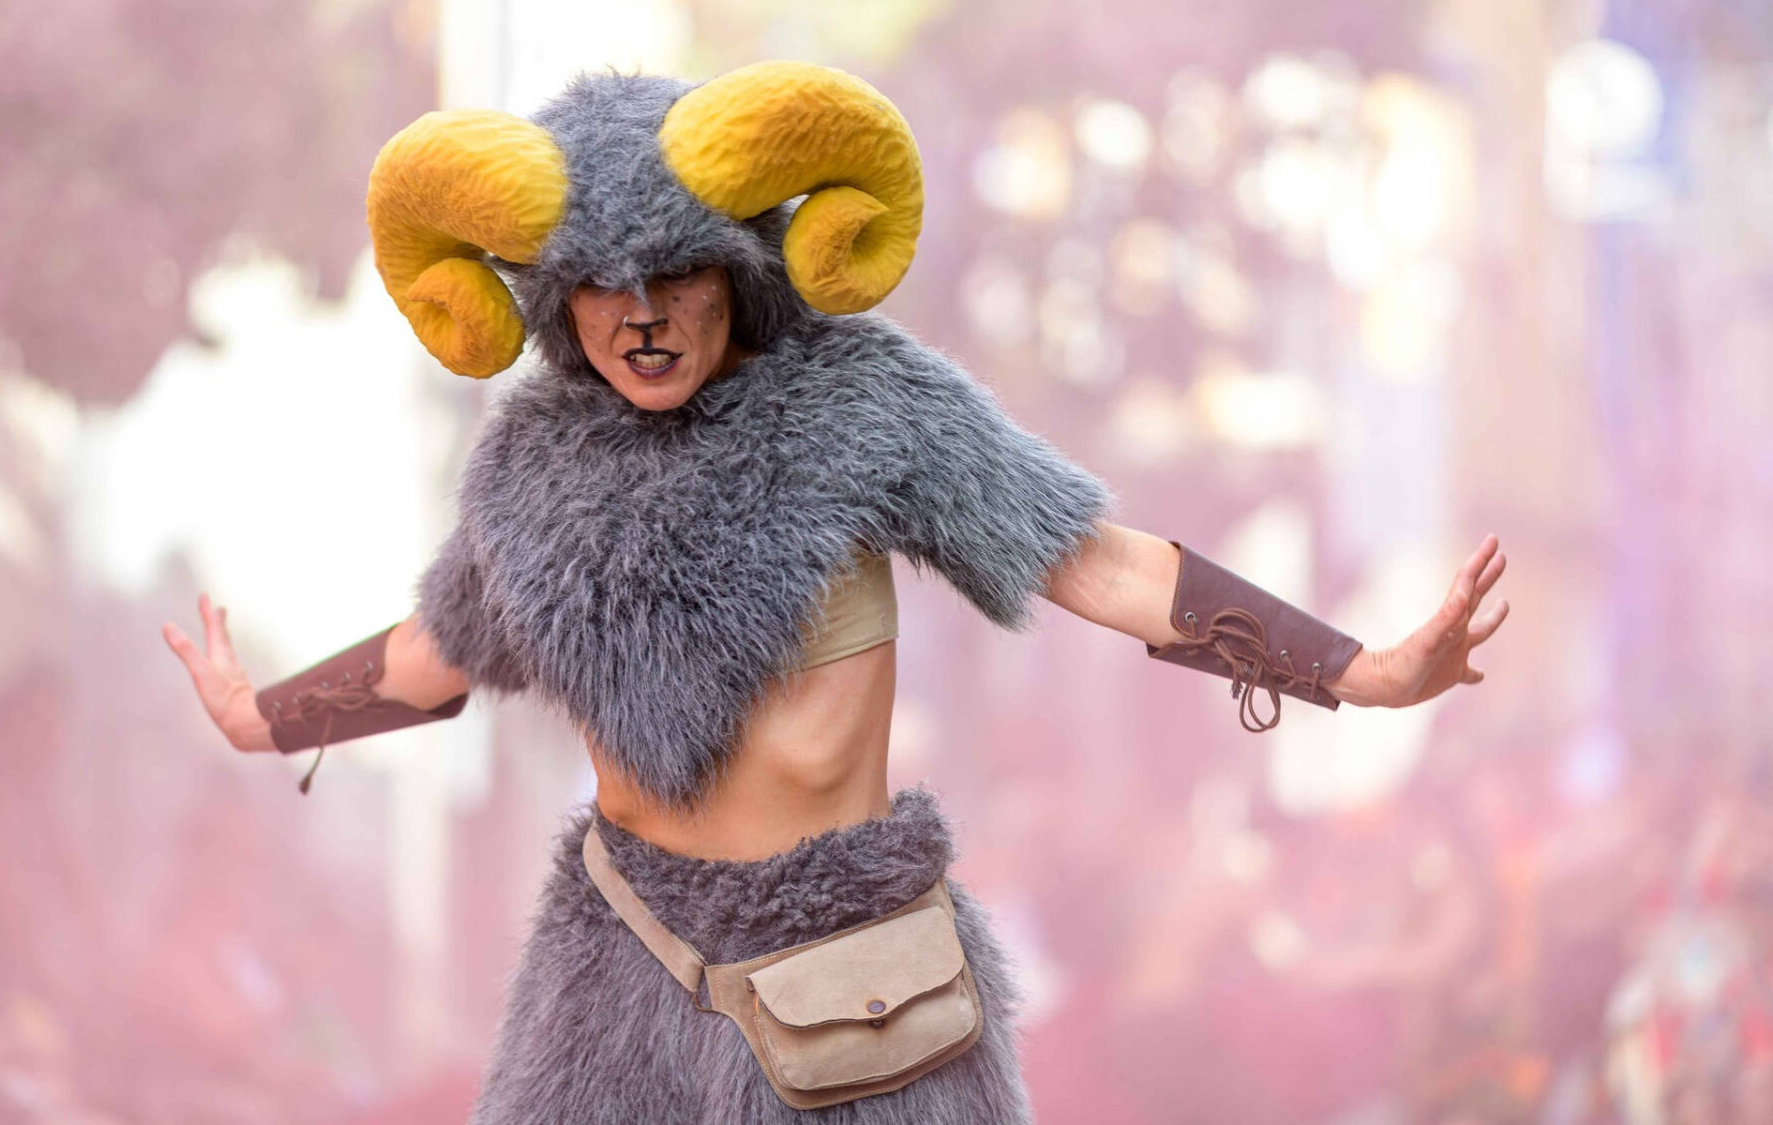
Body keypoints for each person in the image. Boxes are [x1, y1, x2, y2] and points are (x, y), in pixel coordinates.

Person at [163, 61, 1509, 1123]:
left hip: (845, 985)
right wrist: (266, 719)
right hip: (610, 985)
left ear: (739, 269)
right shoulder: (528, 467)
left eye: (677, 274)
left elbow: (1093, 557)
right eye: (602, 289)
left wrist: (1357, 672)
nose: (643, 318)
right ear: (555, 301)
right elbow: (439, 651)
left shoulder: (863, 404)